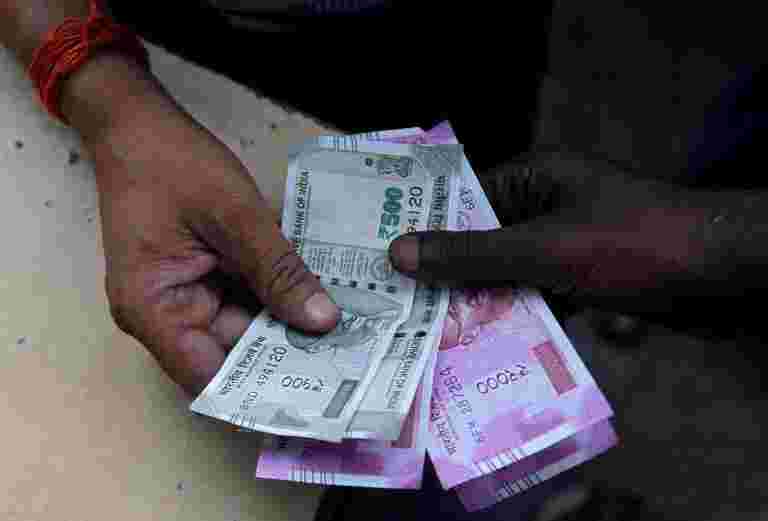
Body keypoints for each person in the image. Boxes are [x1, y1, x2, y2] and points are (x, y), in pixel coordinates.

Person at [2, 2, 766, 520]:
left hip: (444, 38)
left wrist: (738, 239)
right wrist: (102, 90)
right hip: (182, 48)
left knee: (488, 357)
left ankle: (507, 496)